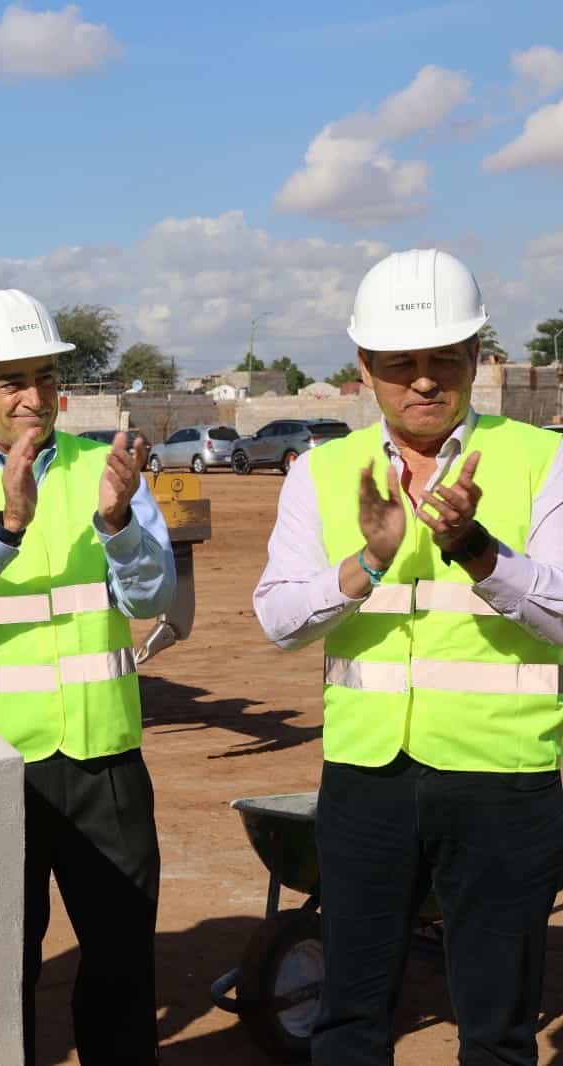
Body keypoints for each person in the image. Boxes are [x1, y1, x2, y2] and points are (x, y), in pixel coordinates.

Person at [255, 249, 563, 1065]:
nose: (422, 381)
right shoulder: (319, 473)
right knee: (349, 1021)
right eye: (400, 364)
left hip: (504, 777)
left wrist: (480, 550)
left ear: (476, 356)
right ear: (364, 368)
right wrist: (368, 564)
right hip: (367, 779)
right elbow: (280, 621)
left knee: (498, 1029)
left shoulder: (542, 459)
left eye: (442, 360)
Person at [0, 288, 175, 1064]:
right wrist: (6, 528)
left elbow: (152, 598)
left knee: (120, 970)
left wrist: (117, 523)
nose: (33, 396)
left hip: (103, 763)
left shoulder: (105, 470)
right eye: (10, 379)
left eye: (44, 377)